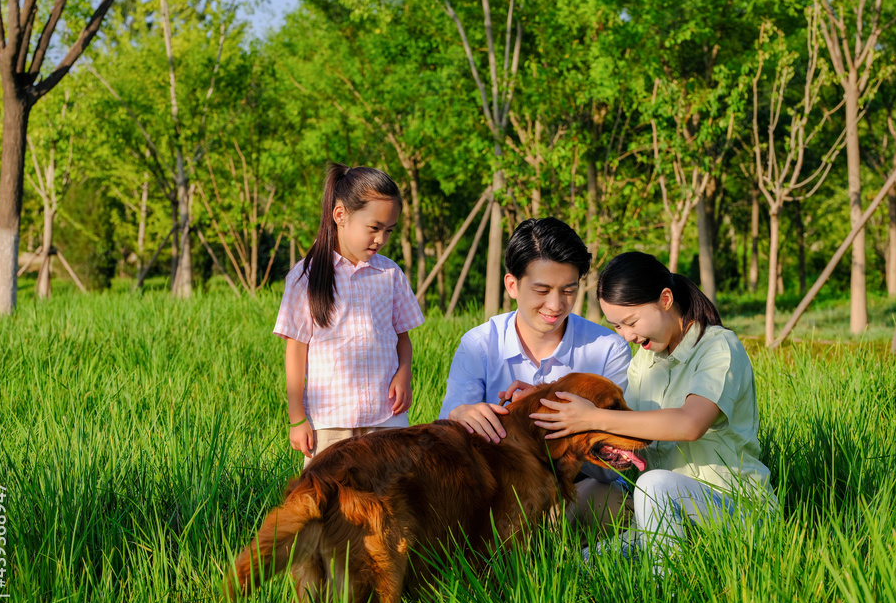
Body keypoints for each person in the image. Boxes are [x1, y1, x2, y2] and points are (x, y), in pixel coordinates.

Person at [529, 252, 776, 563]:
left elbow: (689, 424)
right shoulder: (646, 361)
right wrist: (543, 398)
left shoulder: (718, 347)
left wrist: (591, 416)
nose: (628, 336)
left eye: (631, 322)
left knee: (653, 484)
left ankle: (667, 590)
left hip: (736, 512)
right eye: (617, 326)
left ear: (666, 299)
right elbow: (626, 430)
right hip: (665, 518)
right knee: (580, 566)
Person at [440, 217, 632, 529]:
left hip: (577, 492)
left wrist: (555, 418)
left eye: (568, 290)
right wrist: (459, 415)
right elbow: (448, 451)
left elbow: (615, 468)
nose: (555, 305)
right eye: (542, 289)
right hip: (495, 500)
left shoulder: (607, 348)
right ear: (512, 285)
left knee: (615, 504)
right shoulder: (479, 345)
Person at [275, 163, 424, 466]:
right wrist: (297, 418)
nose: (381, 239)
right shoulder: (306, 276)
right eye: (374, 228)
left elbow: (402, 337)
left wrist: (404, 373)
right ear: (340, 215)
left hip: (385, 418)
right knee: (327, 502)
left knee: (391, 497)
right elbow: (296, 351)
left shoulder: (390, 274)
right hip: (330, 421)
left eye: (389, 231)